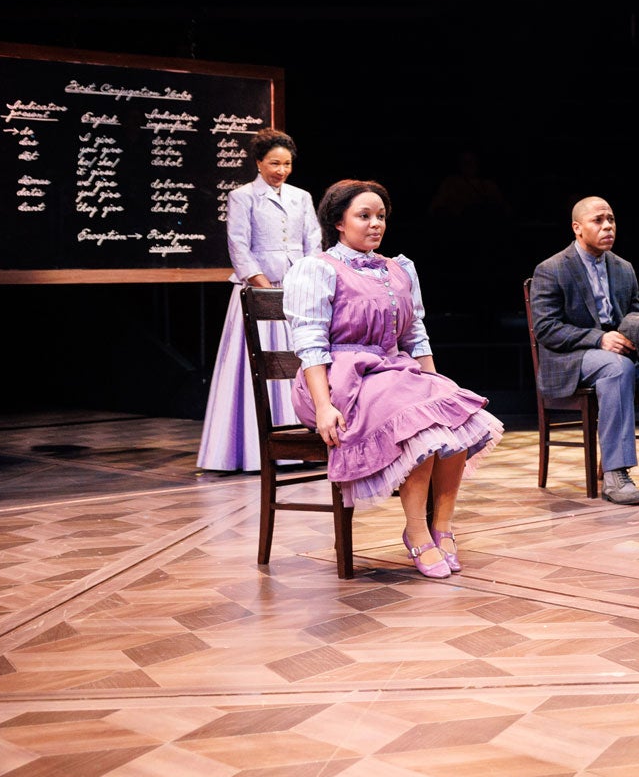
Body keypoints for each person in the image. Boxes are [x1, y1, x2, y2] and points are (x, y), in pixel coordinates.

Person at [282, 179, 501, 578]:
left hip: (393, 372)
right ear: (338, 222)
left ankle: (443, 527)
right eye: (363, 216)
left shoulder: (399, 269)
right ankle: (416, 532)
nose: (375, 224)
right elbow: (311, 344)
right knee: (417, 419)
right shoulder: (317, 269)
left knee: (453, 414)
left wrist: (437, 391)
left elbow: (415, 335)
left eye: (380, 216)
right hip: (340, 380)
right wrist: (324, 405)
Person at [529, 196, 639, 505]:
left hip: (618, 353)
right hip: (572, 357)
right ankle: (616, 475)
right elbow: (546, 329)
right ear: (577, 228)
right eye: (598, 220)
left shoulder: (623, 268)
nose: (608, 226)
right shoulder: (552, 269)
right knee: (617, 368)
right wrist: (598, 339)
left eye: (611, 219)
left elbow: (633, 317)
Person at [197, 129, 318, 472]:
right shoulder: (242, 197)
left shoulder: (301, 197)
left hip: (294, 290)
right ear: (259, 163)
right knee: (255, 365)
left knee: (297, 363)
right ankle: (251, 450)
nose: (281, 170)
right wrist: (263, 287)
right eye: (274, 163)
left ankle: (301, 443)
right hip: (258, 290)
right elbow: (239, 245)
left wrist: (306, 279)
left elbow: (313, 242)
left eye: (287, 164)